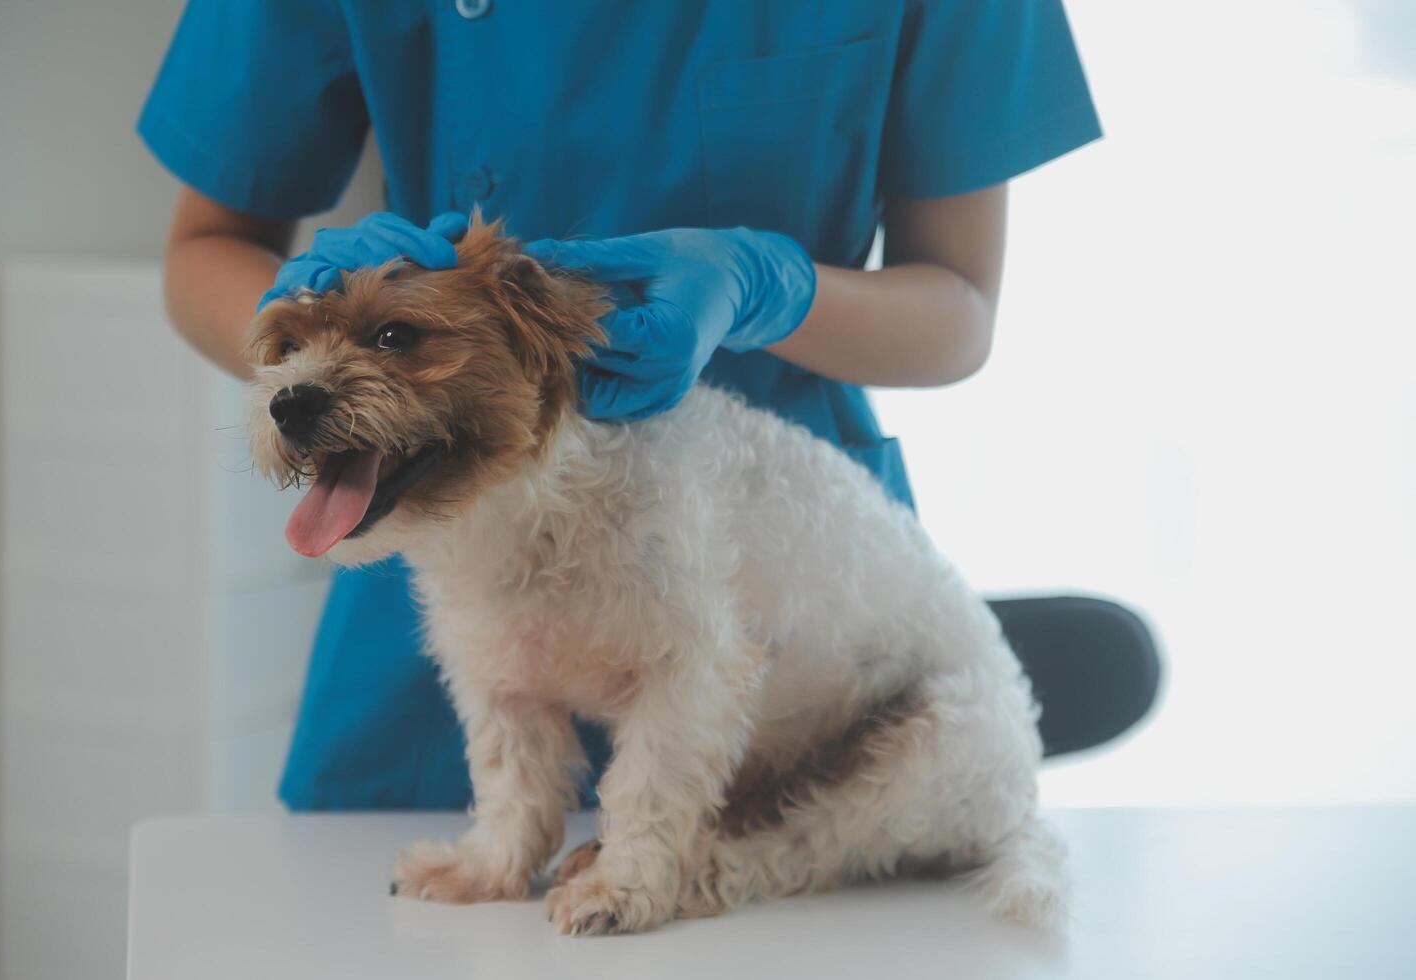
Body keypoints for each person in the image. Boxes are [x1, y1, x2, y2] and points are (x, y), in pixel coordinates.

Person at [140, 0, 1105, 810]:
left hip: (771, 601)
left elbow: (960, 311)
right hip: (450, 608)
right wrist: (301, 325)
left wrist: (772, 285)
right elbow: (201, 249)